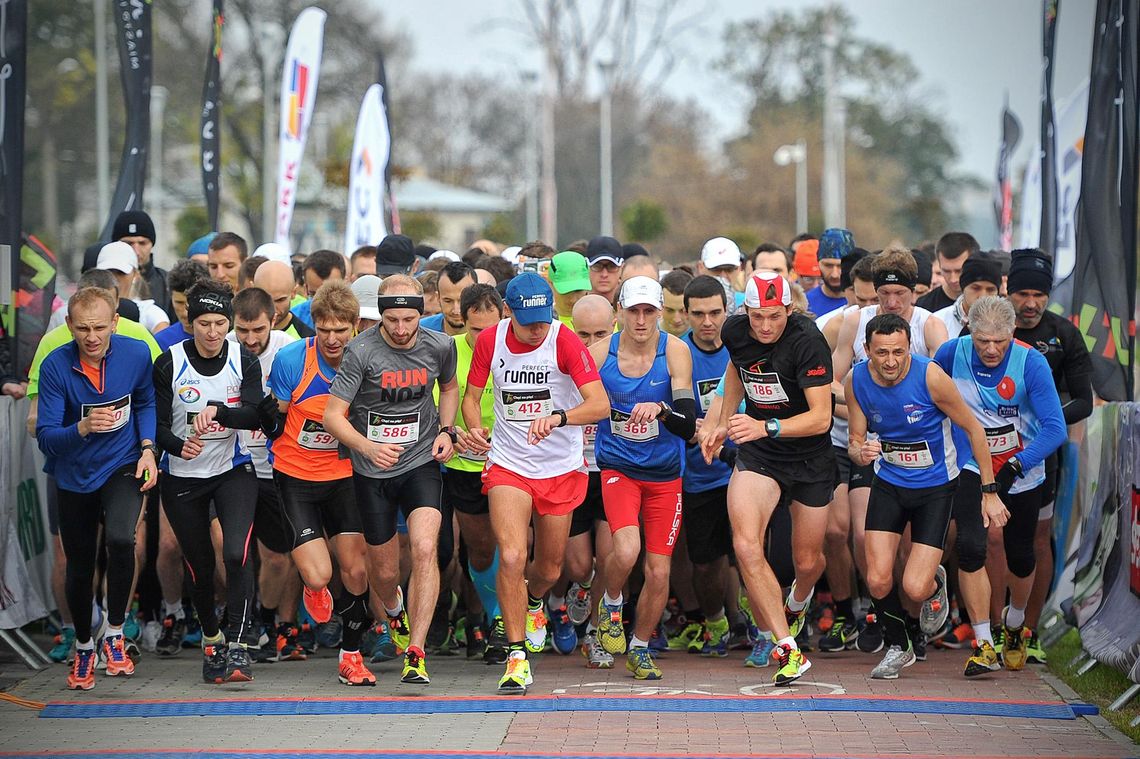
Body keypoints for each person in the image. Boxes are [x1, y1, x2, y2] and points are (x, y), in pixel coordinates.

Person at [461, 272, 610, 695]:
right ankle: (516, 655)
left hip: (560, 467)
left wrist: (560, 417)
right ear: (508, 312)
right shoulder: (490, 340)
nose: (537, 329)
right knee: (511, 555)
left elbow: (599, 404)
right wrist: (475, 429)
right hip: (508, 463)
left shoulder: (563, 340)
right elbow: (472, 398)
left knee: (548, 567)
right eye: (528, 322)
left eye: (543, 320)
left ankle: (532, 601)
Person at [698, 271, 837, 686]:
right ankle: (785, 647)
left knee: (807, 562)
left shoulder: (808, 341)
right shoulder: (736, 331)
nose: (764, 326)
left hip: (809, 457)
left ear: (789, 310)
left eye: (773, 317)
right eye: (757, 316)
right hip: (761, 455)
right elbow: (736, 375)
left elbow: (821, 418)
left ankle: (797, 601)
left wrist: (766, 426)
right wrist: (720, 422)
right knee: (744, 543)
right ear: (745, 311)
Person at [847, 312, 1004, 679]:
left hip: (935, 486)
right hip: (889, 482)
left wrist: (989, 491)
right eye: (882, 352)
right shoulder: (856, 379)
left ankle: (934, 585)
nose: (890, 361)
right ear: (866, 350)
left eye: (899, 352)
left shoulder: (931, 376)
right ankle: (898, 646)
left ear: (909, 348)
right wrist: (861, 452)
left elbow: (974, 429)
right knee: (877, 579)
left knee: (914, 586)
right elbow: (855, 441)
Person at [323, 275, 459, 685]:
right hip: (372, 470)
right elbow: (332, 416)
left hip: (420, 462)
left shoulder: (440, 345)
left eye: (410, 319)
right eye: (393, 319)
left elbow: (449, 388)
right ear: (380, 315)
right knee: (383, 575)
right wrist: (366, 447)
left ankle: (415, 651)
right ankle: (395, 612)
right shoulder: (360, 351)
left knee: (423, 548)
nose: (401, 329)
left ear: (422, 313)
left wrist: (447, 430)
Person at [933, 296, 1065, 676]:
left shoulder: (1032, 363)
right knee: (972, 546)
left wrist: (1015, 465)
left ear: (1013, 334)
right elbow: (927, 398)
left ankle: (1014, 624)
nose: (991, 350)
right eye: (982, 341)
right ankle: (983, 643)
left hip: (1023, 468)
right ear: (970, 332)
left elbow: (1054, 428)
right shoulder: (949, 354)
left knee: (1021, 555)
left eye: (999, 342)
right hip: (970, 466)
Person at [36, 287, 159, 689]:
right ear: (69, 325)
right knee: (80, 563)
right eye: (83, 328)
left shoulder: (136, 353)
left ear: (115, 324)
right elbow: (47, 437)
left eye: (100, 328)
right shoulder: (57, 365)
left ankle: (116, 633)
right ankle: (85, 647)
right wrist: (83, 427)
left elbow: (144, 401)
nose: (91, 337)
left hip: (123, 464)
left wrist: (146, 449)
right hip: (73, 472)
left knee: (123, 540)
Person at [153, 280, 273, 684]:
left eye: (221, 322)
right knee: (199, 566)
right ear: (191, 324)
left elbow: (256, 415)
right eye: (204, 323)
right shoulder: (169, 363)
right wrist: (176, 445)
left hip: (232, 469)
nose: (213, 332)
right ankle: (212, 638)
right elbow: (156, 426)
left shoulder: (244, 360)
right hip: (183, 477)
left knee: (236, 552)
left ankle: (239, 645)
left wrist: (220, 412)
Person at [266, 281, 375, 685]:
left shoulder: (366, 361)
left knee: (356, 570)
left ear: (355, 326)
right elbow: (275, 413)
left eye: (340, 330)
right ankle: (315, 589)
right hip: (295, 475)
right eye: (323, 330)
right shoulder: (293, 359)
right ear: (314, 327)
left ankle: (351, 655)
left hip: (345, 477)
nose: (331, 339)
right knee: (317, 575)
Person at [588, 277, 695, 680]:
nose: (641, 319)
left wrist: (663, 410)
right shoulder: (600, 353)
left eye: (649, 311)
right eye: (633, 310)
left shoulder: (676, 352)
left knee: (660, 572)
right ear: (620, 312)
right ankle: (612, 604)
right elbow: (568, 401)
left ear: (661, 314)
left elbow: (686, 425)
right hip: (619, 468)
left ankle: (640, 646)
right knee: (626, 548)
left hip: (666, 475)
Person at [1005, 248, 1092, 663]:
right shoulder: (990, 332)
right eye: (1021, 293)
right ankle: (989, 627)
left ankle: (1028, 630)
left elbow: (1084, 401)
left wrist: (1044, 423)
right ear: (1009, 292)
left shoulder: (1064, 333)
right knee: (991, 539)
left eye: (1038, 294)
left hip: (1043, 454)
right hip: (992, 454)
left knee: (1038, 539)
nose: (1030, 303)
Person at [227, 288, 300, 663]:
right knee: (230, 552)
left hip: (276, 466)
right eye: (242, 331)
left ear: (273, 320)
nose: (251, 339)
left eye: (258, 330)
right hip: (231, 465)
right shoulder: (220, 346)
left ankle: (266, 619)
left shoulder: (290, 349)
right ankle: (237, 621)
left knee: (277, 558)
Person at [438, 284, 508, 663]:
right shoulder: (448, 353)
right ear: (461, 322)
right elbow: (436, 407)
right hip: (466, 466)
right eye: (476, 330)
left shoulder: (520, 350)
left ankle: (505, 623)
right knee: (480, 551)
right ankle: (480, 615)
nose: (485, 338)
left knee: (517, 547)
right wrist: (451, 430)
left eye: (492, 328)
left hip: (516, 463)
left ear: (505, 318)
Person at [678, 276, 739, 658]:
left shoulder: (742, 347)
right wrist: (690, 429)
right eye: (698, 314)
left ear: (726, 310)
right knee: (704, 564)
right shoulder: (676, 353)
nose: (707, 321)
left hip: (744, 470)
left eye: (715, 312)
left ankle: (759, 626)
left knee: (750, 553)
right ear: (686, 314)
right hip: (697, 474)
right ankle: (715, 623)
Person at [564, 294, 618, 668]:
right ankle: (581, 589)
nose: (591, 344)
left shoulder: (623, 364)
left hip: (614, 471)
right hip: (572, 472)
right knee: (582, 566)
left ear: (613, 330)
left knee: (612, 557)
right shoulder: (558, 364)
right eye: (583, 334)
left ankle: (596, 634)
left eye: (600, 334)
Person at [114, 210, 172, 320]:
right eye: (128, 243)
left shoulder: (168, 283)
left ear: (152, 244)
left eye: (142, 243)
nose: (136, 251)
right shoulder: (103, 283)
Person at [933, 256, 1002, 339]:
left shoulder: (1006, 324)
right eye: (976, 288)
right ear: (963, 287)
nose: (983, 296)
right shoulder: (937, 322)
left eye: (990, 290)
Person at [916, 232, 979, 313]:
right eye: (946, 271)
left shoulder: (989, 302)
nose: (953, 279)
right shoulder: (924, 306)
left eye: (959, 271)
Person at [156, 259, 210, 351]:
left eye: (192, 303)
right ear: (171, 298)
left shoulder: (224, 337)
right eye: (179, 303)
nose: (185, 313)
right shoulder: (160, 341)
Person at [254, 260, 316, 339]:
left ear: (294, 292)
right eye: (264, 299)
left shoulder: (308, 340)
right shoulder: (238, 334)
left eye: (280, 300)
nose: (272, 309)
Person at [292, 249, 347, 329]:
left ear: (345, 284)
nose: (324, 302)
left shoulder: (361, 317)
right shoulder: (294, 318)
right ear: (306, 288)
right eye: (314, 294)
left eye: (331, 293)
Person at [807, 229, 854, 318]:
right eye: (828, 265)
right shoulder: (806, 305)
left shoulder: (865, 303)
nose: (834, 274)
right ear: (818, 263)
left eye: (841, 266)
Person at [421, 261, 476, 335]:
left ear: (476, 297)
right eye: (448, 301)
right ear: (438, 298)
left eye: (463, 301)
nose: (456, 311)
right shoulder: (421, 331)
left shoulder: (492, 333)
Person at [547, 251, 592, 329]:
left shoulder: (607, 321)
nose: (573, 299)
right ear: (550, 284)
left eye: (578, 291)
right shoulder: (543, 325)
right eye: (566, 291)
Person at [700, 237, 745, 314]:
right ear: (700, 267)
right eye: (716, 269)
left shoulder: (749, 303)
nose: (723, 276)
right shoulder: (685, 304)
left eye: (729, 269)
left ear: (739, 268)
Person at [586, 236, 624, 304]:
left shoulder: (630, 309)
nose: (604, 274)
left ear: (622, 268)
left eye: (612, 267)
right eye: (597, 266)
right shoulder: (575, 309)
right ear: (587, 267)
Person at [660, 269, 695, 338]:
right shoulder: (647, 334)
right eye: (669, 310)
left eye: (683, 311)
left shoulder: (706, 336)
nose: (677, 319)